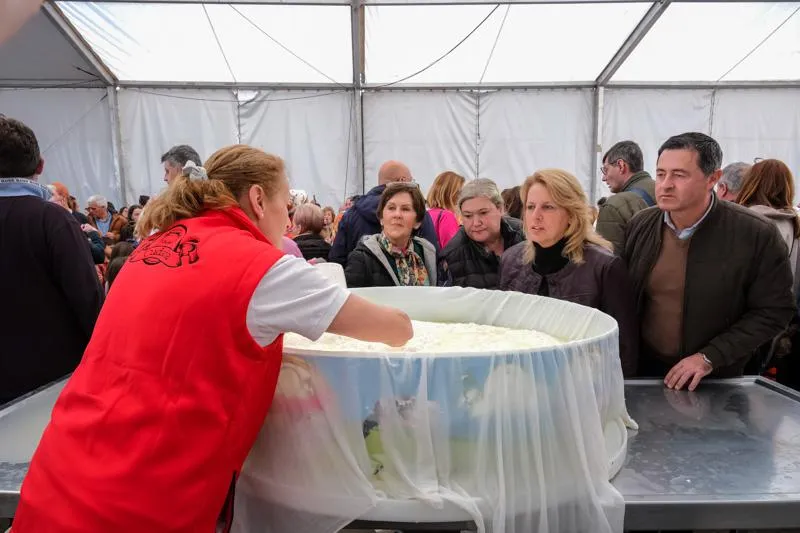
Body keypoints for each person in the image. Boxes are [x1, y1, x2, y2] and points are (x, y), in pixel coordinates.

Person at [12, 145, 412, 533]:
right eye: (283, 205)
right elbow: (396, 328)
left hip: (59, 479)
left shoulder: (151, 247)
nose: (287, 221)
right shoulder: (262, 268)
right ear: (257, 199)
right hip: (142, 503)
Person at [623, 132, 794, 390]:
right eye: (660, 174)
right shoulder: (641, 224)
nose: (665, 184)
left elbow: (774, 310)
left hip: (717, 380)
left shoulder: (755, 234)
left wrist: (710, 357)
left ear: (713, 178)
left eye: (679, 175)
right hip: (646, 375)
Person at [0, 116, 103, 405]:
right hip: (50, 381)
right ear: (40, 165)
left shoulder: (52, 219)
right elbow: (87, 297)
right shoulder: (52, 219)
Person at [498, 169, 638, 376]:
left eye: (548, 207)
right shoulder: (510, 260)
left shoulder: (604, 268)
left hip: (583, 388)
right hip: (523, 382)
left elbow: (623, 352)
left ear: (572, 215)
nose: (536, 216)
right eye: (530, 207)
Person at [735, 159, 800, 384]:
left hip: (743, 325)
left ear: (752, 183)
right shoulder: (795, 226)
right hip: (778, 325)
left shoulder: (741, 222)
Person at [329, 160, 439, 266]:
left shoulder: (351, 214)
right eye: (412, 181)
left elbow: (337, 260)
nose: (397, 215)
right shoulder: (416, 211)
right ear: (402, 180)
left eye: (404, 209)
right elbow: (432, 256)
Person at [345, 182, 437, 288]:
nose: (397, 214)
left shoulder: (426, 252)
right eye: (391, 208)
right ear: (381, 218)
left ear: (418, 221)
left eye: (405, 209)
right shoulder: (361, 258)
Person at [439, 178, 524, 289]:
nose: (476, 223)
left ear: (500, 208)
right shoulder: (452, 255)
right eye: (468, 216)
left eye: (483, 213)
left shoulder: (525, 235)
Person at [595, 140, 655, 254]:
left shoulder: (613, 205)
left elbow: (607, 264)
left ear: (621, 165)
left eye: (606, 170)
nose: (603, 178)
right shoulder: (663, 192)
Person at [427, 171, 465, 249]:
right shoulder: (446, 216)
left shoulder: (427, 214)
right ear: (452, 193)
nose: (463, 195)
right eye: (460, 191)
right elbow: (454, 250)